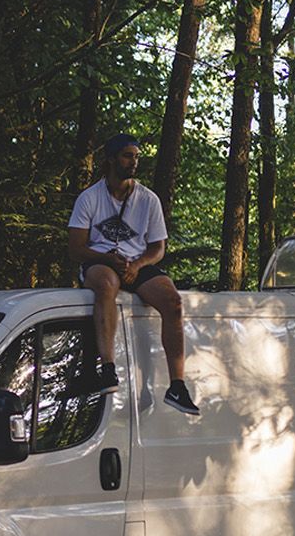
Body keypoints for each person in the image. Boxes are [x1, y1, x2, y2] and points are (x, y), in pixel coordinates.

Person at [67, 133, 199, 415]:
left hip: (135, 263)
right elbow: (76, 248)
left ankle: (177, 386)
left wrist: (137, 265)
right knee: (106, 283)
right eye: (128, 156)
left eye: (137, 156)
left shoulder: (148, 199)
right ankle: (108, 369)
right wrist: (108, 259)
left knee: (173, 301)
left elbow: (158, 248)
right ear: (112, 159)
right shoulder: (89, 198)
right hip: (99, 261)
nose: (134, 162)